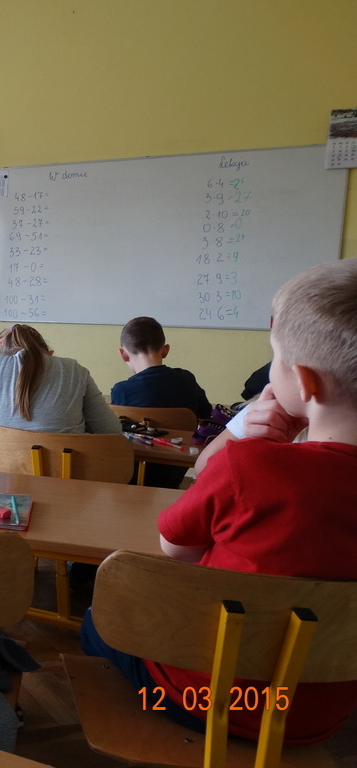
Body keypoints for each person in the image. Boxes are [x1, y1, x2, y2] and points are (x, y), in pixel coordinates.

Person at [81, 258, 357, 745]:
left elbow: (176, 549)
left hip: (208, 699)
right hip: (325, 713)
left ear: (305, 382)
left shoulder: (247, 466)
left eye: (275, 357)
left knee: (96, 620)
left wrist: (243, 443)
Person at [0, 323, 121, 438]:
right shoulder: (74, 369)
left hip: (7, 471)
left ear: (0, 352)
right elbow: (111, 430)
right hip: (67, 471)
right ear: (49, 353)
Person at [111, 316, 211, 487]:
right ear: (165, 350)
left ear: (123, 354)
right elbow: (206, 413)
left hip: (134, 476)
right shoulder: (187, 380)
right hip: (174, 474)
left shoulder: (121, 390)